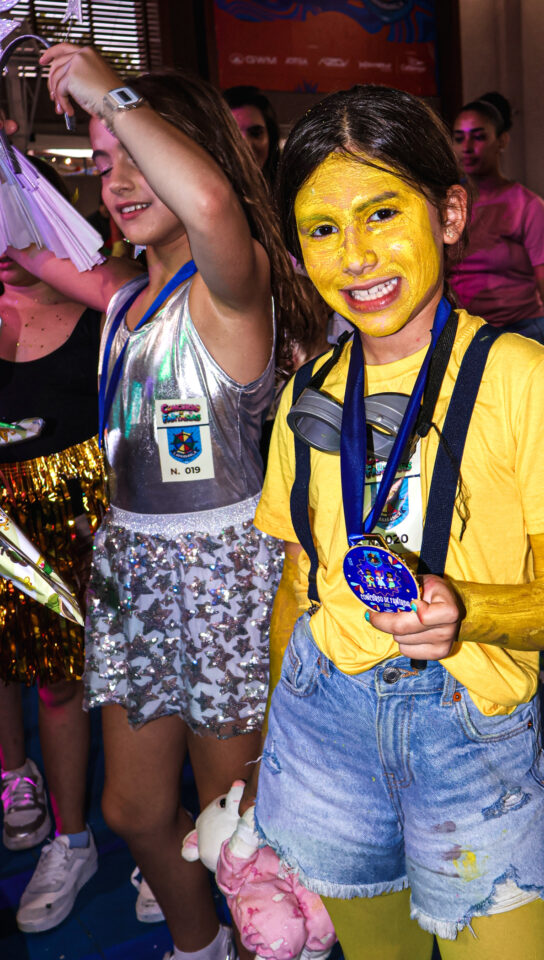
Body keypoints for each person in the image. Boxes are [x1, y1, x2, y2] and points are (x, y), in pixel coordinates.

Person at [231, 84, 544, 959]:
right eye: (322, 229)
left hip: (468, 733)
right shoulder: (307, 393)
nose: (356, 255)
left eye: (382, 213)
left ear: (449, 214)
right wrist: (274, 754)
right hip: (322, 725)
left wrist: (469, 607)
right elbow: (297, 583)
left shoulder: (522, 379)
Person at [11, 42, 317, 959]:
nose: (119, 182)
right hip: (133, 572)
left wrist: (108, 89)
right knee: (135, 809)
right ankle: (198, 945)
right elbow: (18, 234)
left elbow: (215, 206)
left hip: (225, 579)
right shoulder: (120, 301)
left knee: (237, 832)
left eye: (141, 157)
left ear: (194, 157)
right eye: (105, 164)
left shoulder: (233, 288)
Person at [0, 155, 110, 933]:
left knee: (59, 685)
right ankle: (15, 777)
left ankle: (72, 840)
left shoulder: (100, 311)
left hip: (71, 515)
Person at [450, 92, 544, 359]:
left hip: (520, 334)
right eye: (459, 138)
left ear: (502, 141)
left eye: (478, 137)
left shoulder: (528, 206)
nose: (467, 147)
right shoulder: (448, 204)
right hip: (463, 335)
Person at [223, 85, 281, 191]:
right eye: (234, 135)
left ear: (271, 137)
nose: (248, 146)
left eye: (256, 133)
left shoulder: (288, 191)